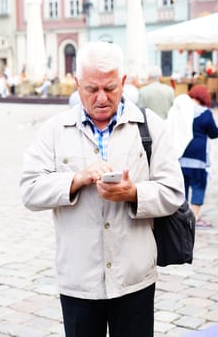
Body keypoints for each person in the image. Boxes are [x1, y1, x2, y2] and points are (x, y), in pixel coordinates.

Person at [20, 41, 185, 337]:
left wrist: (133, 193)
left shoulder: (150, 128)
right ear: (77, 83)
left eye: (109, 88)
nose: (101, 98)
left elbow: (174, 192)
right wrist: (76, 180)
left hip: (134, 279)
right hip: (79, 281)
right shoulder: (54, 131)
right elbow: (30, 190)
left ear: (123, 81)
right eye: (91, 89)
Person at [179, 85, 218, 227]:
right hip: (198, 159)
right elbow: (214, 133)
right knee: (199, 186)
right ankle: (194, 217)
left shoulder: (181, 111)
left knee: (182, 187)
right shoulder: (206, 113)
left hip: (181, 156)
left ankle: (180, 217)